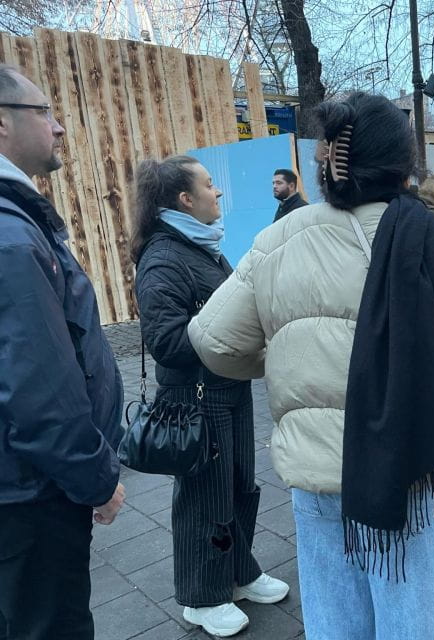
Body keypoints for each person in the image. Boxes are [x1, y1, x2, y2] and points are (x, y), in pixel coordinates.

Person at [188, 92, 434, 640]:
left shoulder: (276, 241)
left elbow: (214, 342)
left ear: (327, 162)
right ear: (401, 163)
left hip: (318, 471)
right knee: (416, 617)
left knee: (334, 618)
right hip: (414, 465)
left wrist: (284, 354)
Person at [132, 155, 288, 638]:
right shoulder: (163, 256)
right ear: (185, 199)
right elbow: (165, 341)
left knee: (240, 485)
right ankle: (202, 596)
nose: (216, 193)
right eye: (208, 185)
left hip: (228, 387)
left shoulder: (199, 247)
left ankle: (239, 572)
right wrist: (230, 333)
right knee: (204, 496)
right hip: (195, 398)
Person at [0, 64, 125, 640]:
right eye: (44, 112)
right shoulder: (11, 237)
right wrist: (97, 478)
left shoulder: (19, 224)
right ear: (3, 123)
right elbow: (39, 391)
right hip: (32, 498)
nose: (58, 128)